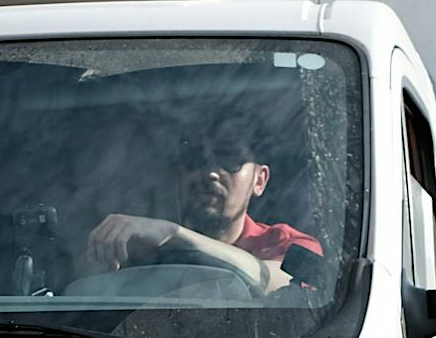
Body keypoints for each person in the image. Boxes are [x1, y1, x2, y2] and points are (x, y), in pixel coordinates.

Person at [86, 123, 325, 295]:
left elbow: (275, 280)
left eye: (229, 158)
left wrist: (174, 234)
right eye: (194, 158)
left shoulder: (287, 245)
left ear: (259, 180)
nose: (210, 173)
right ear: (179, 176)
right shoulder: (143, 251)